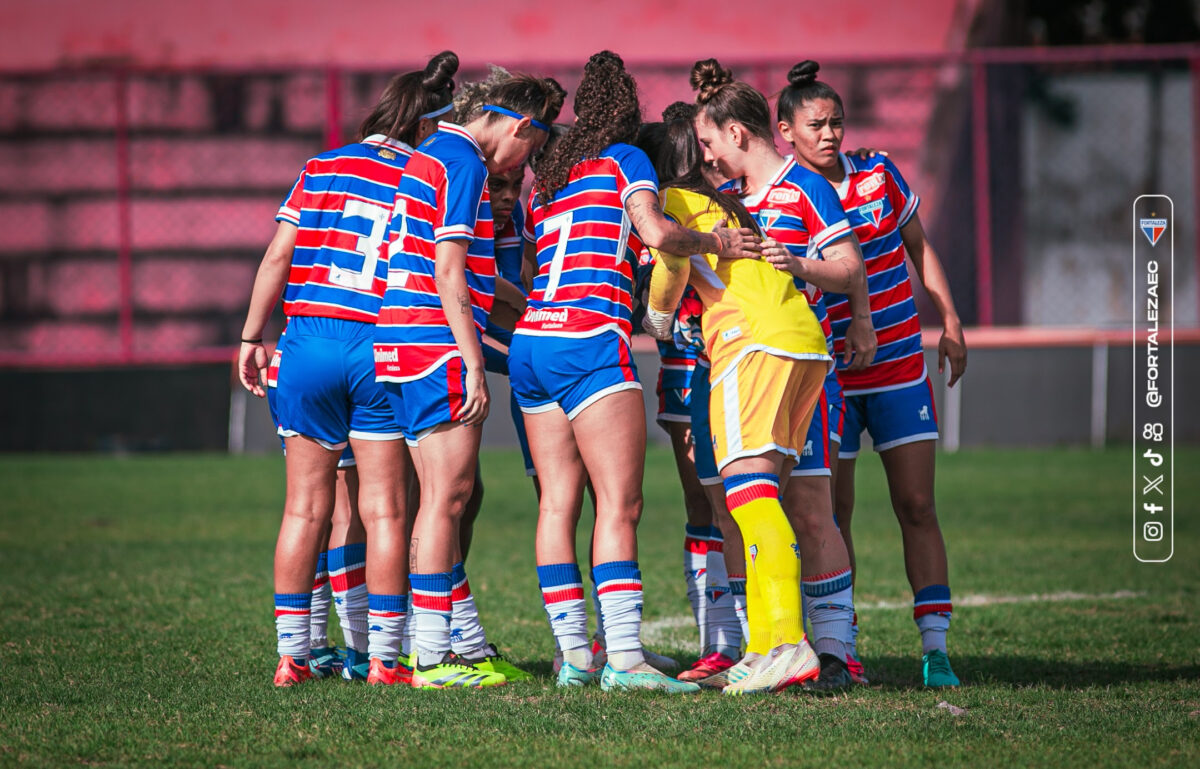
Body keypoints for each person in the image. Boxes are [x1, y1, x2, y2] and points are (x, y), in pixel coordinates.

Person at [513, 51, 760, 693]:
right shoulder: (627, 161)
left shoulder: (551, 176)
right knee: (620, 505)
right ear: (628, 113)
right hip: (589, 337)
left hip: (531, 342)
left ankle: (574, 659)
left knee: (558, 503)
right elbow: (655, 231)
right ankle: (624, 660)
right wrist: (713, 241)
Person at [239, 51, 461, 687]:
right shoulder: (427, 173)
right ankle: (385, 661)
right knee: (385, 509)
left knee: (304, 510)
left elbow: (277, 256)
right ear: (430, 125)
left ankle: (292, 657)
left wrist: (254, 334)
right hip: (378, 344)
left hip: (305, 343)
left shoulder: (322, 166)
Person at [776, 60, 967, 687]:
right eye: (816, 125)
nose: (830, 134)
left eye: (835, 122)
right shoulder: (789, 192)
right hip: (827, 375)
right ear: (786, 132)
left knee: (916, 504)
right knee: (834, 513)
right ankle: (841, 644)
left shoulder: (879, 172)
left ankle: (935, 649)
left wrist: (950, 317)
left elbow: (918, 246)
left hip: (898, 366)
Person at [374, 69, 565, 689]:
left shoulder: (431, 151)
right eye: (530, 148)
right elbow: (450, 269)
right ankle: (433, 658)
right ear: (519, 124)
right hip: (435, 346)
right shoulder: (466, 163)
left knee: (440, 503)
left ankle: (462, 646)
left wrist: (529, 303)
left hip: (397, 341)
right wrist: (474, 359)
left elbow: (471, 275)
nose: (522, 162)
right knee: (446, 504)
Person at [689, 57, 875, 691]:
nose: (710, 160)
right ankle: (768, 647)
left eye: (712, 144)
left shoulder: (806, 187)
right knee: (770, 501)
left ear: (738, 134)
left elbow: (849, 267)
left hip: (784, 358)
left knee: (797, 504)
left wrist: (798, 263)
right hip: (779, 359)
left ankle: (823, 648)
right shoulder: (734, 202)